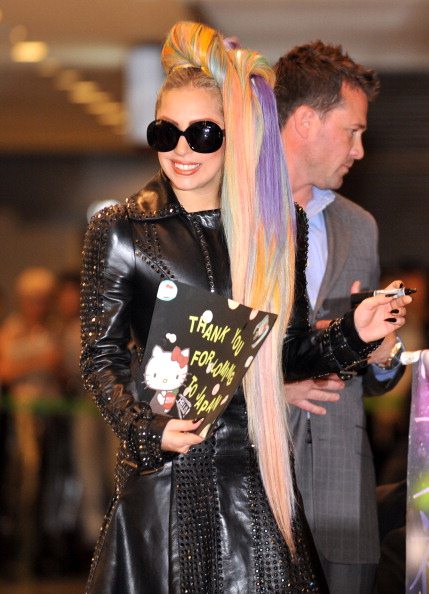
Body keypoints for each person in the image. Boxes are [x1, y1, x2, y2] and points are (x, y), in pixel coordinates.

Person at [80, 22, 410, 594]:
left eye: (204, 133)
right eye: (166, 131)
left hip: (251, 479)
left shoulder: (277, 230)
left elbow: (289, 353)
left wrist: (353, 334)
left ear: (235, 136)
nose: (182, 149)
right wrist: (147, 431)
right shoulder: (122, 228)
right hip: (163, 481)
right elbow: (99, 355)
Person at [274, 42, 406, 594]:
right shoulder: (225, 217)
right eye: (352, 131)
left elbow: (369, 378)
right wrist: (275, 389)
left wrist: (382, 355)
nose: (359, 149)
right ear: (305, 120)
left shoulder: (360, 226)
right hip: (252, 481)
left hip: (343, 491)